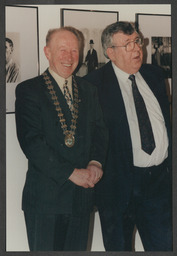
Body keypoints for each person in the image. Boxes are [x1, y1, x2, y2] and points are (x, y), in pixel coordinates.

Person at [15, 26, 108, 251]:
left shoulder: (88, 90)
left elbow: (100, 131)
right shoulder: (29, 90)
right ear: (47, 52)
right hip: (46, 202)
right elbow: (32, 143)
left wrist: (96, 162)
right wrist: (71, 173)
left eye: (74, 51)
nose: (69, 57)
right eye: (62, 50)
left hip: (81, 199)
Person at [84, 21, 172, 251]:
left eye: (137, 41)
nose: (136, 49)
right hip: (117, 188)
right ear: (110, 53)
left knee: (165, 247)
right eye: (128, 45)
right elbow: (90, 137)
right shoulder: (93, 85)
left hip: (159, 184)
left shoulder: (154, 74)